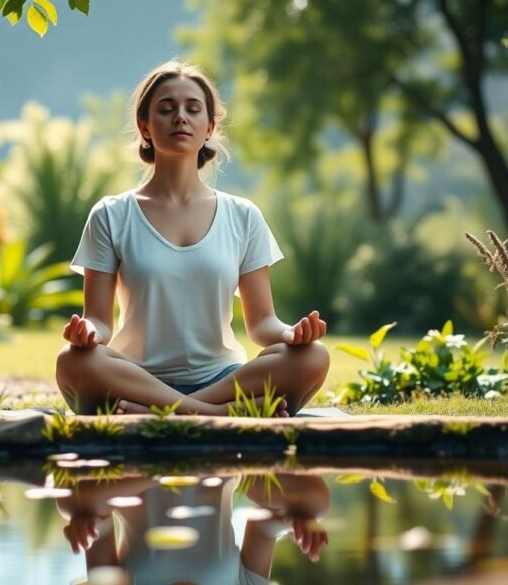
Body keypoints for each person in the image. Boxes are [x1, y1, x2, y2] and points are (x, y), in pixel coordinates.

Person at [55, 60, 330, 416]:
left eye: (193, 109)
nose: (180, 118)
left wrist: (292, 334)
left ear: (209, 127)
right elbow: (99, 321)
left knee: (313, 356)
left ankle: (164, 411)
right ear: (144, 126)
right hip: (134, 376)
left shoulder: (243, 215)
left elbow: (263, 323)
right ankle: (221, 414)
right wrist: (87, 332)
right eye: (166, 109)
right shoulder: (110, 214)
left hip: (222, 378)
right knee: (73, 361)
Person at [56, 472, 331, 584]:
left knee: (70, 500)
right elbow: (262, 530)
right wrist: (293, 523)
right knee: (315, 501)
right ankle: (225, 442)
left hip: (141, 470)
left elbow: (98, 525)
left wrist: (86, 525)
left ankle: (164, 467)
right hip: (218, 464)